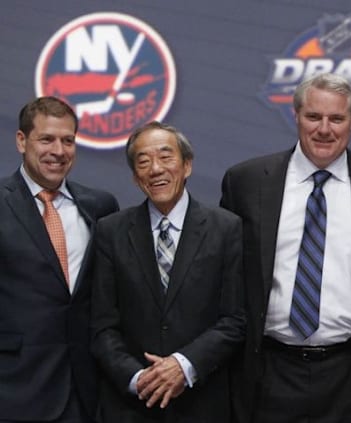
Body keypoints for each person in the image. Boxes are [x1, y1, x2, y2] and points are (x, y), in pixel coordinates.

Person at [220, 72, 351, 422]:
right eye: (313, 117)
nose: (324, 129)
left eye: (336, 118)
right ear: (296, 116)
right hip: (268, 372)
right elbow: (224, 279)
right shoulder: (246, 181)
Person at [90, 121, 246, 422]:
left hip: (202, 402)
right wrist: (139, 380)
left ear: (187, 165)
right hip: (132, 406)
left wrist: (183, 365)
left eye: (165, 157)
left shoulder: (226, 228)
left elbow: (235, 320)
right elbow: (102, 326)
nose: (156, 169)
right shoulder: (111, 231)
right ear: (136, 178)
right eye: (143, 161)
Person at [0, 96, 119, 422]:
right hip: (13, 389)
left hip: (85, 391)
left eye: (68, 140)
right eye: (47, 139)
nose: (59, 150)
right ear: (22, 141)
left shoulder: (100, 206)